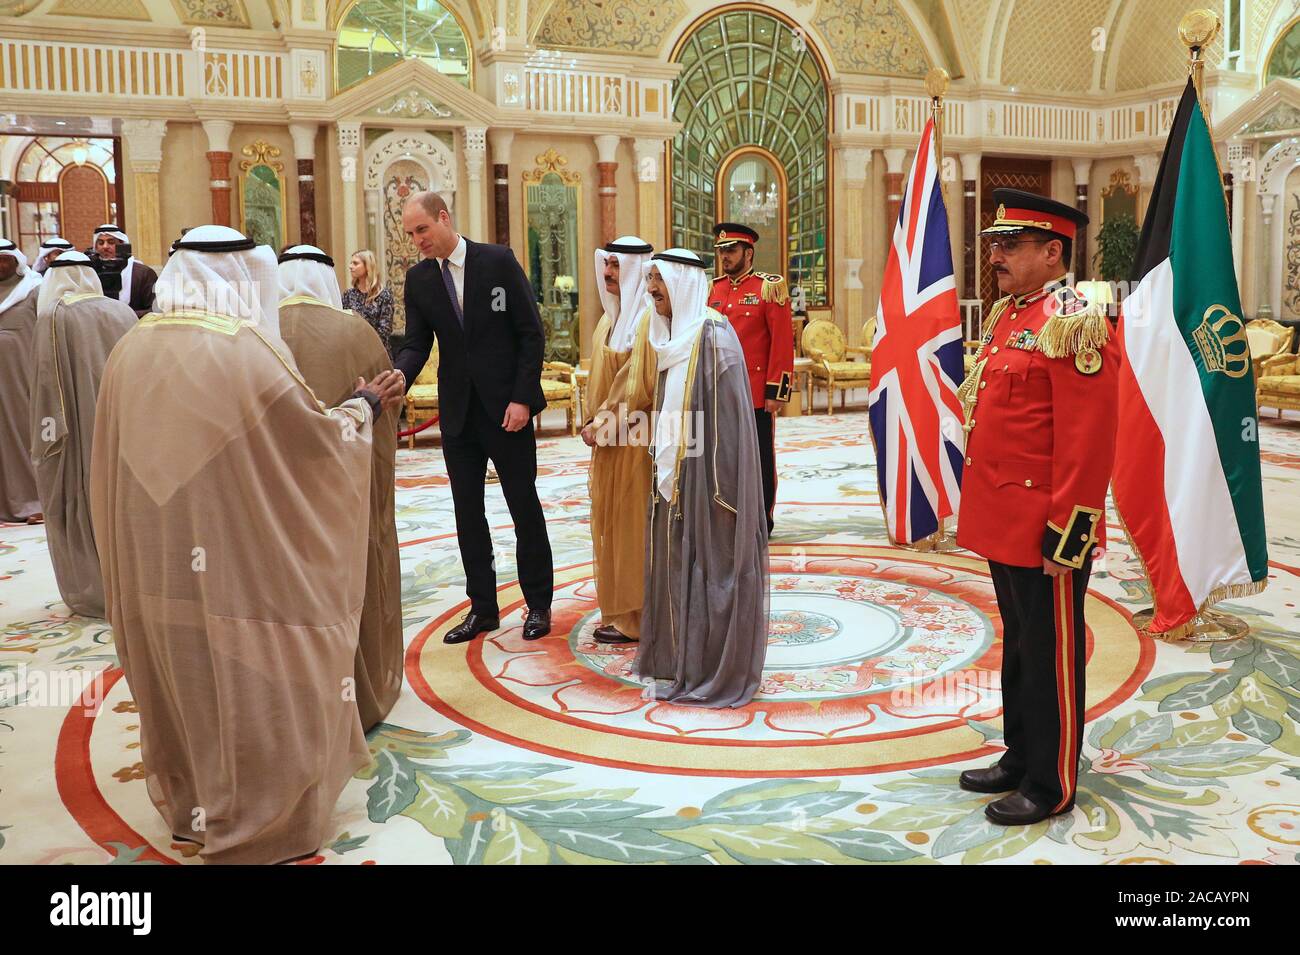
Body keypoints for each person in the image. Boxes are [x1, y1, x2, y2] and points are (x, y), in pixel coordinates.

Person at [89, 225, 405, 864]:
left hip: (154, 559)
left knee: (180, 670)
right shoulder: (243, 352)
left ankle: (191, 806)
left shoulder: (132, 345)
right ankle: (260, 817)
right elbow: (313, 447)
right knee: (253, 668)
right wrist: (365, 406)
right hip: (235, 559)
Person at [954, 189, 1118, 826]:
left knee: (1052, 650)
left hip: (1046, 526)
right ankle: (1021, 754)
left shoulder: (1074, 318)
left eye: (1011, 244)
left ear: (1053, 252)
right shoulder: (1009, 316)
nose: (996, 254)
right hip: (1003, 517)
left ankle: (1052, 783)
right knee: (1020, 643)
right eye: (995, 243)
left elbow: (1088, 441)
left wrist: (1068, 537)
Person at [395, 191, 554, 644]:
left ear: (443, 218)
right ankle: (483, 609)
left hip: (508, 412)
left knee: (524, 508)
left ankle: (538, 605)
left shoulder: (497, 263)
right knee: (468, 515)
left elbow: (530, 334)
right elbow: (416, 345)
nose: (417, 241)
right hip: (459, 415)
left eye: (422, 230)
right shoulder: (420, 280)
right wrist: (396, 379)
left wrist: (522, 398)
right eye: (411, 234)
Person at [633, 249, 769, 707]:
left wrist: (714, 489)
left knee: (714, 567)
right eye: (650, 279)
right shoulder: (669, 335)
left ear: (684, 284)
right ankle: (679, 660)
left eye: (659, 281)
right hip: (675, 470)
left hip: (710, 480)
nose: (651, 289)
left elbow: (729, 425)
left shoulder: (714, 336)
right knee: (675, 563)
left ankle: (713, 667)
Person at [278, 244, 402, 732]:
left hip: (278, 491)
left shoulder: (255, 331)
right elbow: (387, 406)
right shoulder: (354, 330)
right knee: (351, 567)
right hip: (345, 490)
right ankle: (357, 684)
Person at [29, 252, 135, 617]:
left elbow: (47, 385)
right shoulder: (120, 311)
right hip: (123, 425)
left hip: (77, 430)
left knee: (81, 499)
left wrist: (45, 441)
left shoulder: (54, 316)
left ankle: (93, 589)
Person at [581, 236, 657, 646]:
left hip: (635, 442)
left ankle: (637, 618)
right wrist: (590, 420)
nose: (608, 274)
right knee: (610, 522)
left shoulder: (646, 322)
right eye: (605, 265)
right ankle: (618, 608)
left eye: (616, 266)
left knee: (632, 526)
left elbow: (637, 389)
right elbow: (600, 382)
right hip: (609, 442)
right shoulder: (610, 320)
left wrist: (602, 425)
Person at [709, 223, 794, 536]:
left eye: (731, 250)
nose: (725, 257)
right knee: (723, 456)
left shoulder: (768, 287)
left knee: (759, 458)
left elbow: (782, 343)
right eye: (721, 251)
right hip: (719, 391)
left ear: (749, 252)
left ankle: (761, 520)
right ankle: (728, 514)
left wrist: (776, 391)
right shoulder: (713, 289)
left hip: (756, 392)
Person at [0, 239, 43, 524]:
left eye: (4, 259)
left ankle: (32, 500)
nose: (0, 264)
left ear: (17, 261)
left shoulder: (34, 290)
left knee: (21, 434)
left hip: (21, 379)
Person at [87, 224, 157, 317]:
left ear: (122, 245)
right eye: (100, 243)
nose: (105, 247)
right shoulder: (90, 272)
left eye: (111, 242)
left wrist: (123, 316)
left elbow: (154, 309)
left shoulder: (143, 273)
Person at [341, 250, 396, 355]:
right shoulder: (348, 295)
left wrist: (365, 346)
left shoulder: (383, 295)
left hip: (378, 353)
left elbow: (385, 329)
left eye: (355, 263)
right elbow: (344, 325)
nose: (350, 266)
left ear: (367, 266)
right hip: (353, 353)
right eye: (351, 263)